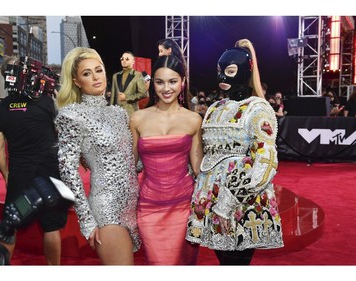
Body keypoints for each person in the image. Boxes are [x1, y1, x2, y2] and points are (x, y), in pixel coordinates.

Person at [186, 39, 284, 265]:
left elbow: (266, 161)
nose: (222, 78)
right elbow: (206, 156)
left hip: (241, 202)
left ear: (245, 71)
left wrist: (227, 203)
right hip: (211, 199)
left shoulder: (257, 108)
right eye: (220, 71)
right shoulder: (214, 108)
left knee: (235, 264)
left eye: (229, 71)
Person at [55, 47, 141, 265]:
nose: (95, 77)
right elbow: (68, 171)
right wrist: (86, 220)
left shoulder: (119, 113)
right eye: (86, 73)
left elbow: (131, 163)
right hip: (106, 208)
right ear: (76, 81)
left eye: (98, 70)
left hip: (133, 205)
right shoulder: (71, 115)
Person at [0, 55, 69, 265]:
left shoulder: (0, 108)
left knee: (10, 227)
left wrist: (8, 176)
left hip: (20, 175)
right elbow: (62, 134)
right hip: (49, 174)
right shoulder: (45, 102)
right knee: (51, 227)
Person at [129, 55, 203, 265]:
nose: (166, 88)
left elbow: (198, 169)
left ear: (182, 82)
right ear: (153, 84)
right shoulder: (138, 118)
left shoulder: (193, 119)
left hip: (184, 207)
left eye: (172, 81)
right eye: (160, 82)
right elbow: (129, 167)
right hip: (149, 207)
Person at [110, 51, 147, 116]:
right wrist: (110, 111)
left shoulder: (138, 75)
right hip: (117, 114)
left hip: (132, 113)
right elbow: (113, 96)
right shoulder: (115, 76)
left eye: (127, 59)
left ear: (133, 61)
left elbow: (144, 94)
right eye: (122, 59)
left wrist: (126, 97)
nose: (124, 61)